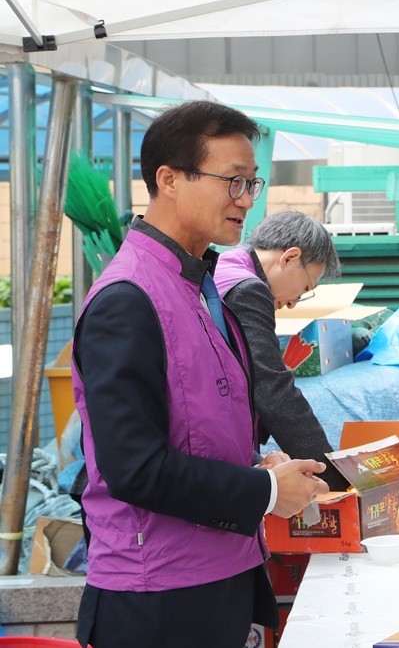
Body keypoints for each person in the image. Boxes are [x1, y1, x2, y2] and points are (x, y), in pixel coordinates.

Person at [72, 101, 330, 648]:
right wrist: (263, 488)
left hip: (220, 577)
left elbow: (202, 424)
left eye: (252, 183)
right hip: (159, 599)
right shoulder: (128, 298)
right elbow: (134, 468)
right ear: (168, 179)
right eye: (232, 181)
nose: (245, 200)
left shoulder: (203, 285)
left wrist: (262, 462)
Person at [214, 210, 349, 491]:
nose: (293, 304)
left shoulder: (223, 267)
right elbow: (272, 388)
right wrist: (333, 477)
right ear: (289, 257)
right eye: (304, 288)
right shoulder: (246, 289)